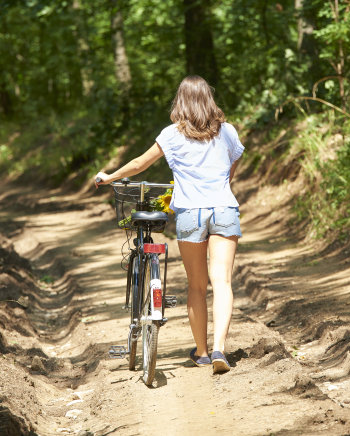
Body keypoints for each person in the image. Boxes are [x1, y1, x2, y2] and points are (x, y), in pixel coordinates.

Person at [95, 75, 244, 374]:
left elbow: (139, 164)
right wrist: (224, 183)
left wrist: (108, 176)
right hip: (224, 208)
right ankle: (219, 349)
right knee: (223, 283)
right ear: (209, 98)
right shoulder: (227, 131)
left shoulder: (172, 135)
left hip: (191, 213)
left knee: (197, 287)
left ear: (180, 101)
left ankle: (201, 352)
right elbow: (234, 162)